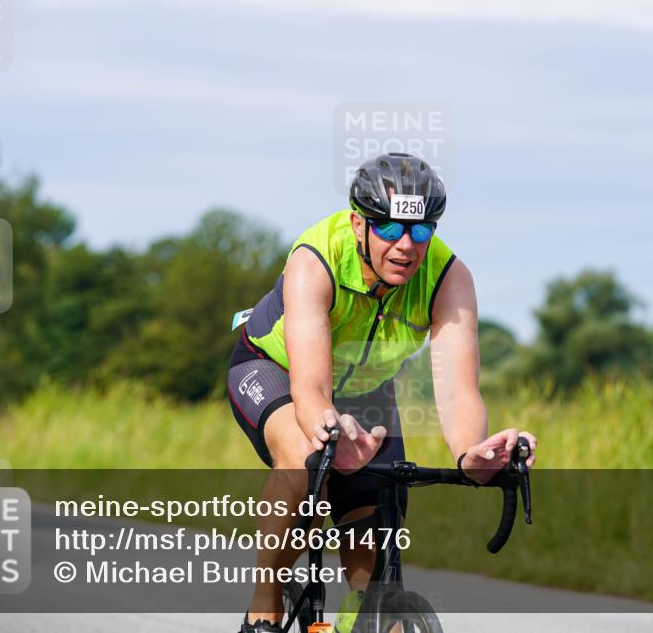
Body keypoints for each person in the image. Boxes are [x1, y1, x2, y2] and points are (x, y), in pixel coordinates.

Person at [226, 152, 538, 632]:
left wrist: (472, 454)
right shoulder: (315, 258)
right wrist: (327, 426)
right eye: (389, 229)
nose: (406, 246)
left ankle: (364, 618)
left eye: (421, 229)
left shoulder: (449, 278)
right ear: (357, 224)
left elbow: (458, 391)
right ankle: (263, 606)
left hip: (367, 390)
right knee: (305, 455)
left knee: (375, 507)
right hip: (276, 370)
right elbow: (311, 388)